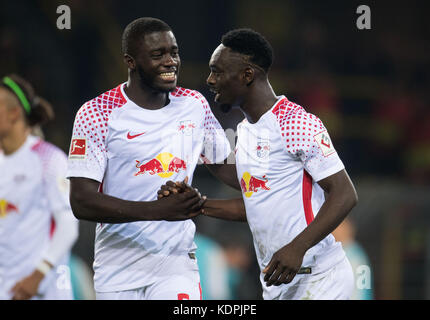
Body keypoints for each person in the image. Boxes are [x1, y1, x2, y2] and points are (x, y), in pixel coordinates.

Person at [159, 28, 358, 300]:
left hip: (321, 278)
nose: (210, 80)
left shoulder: (295, 122)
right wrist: (196, 204)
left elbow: (345, 193)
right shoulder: (247, 130)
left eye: (217, 71)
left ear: (247, 75)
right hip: (279, 282)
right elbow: (255, 203)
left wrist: (297, 247)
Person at [66, 17, 234, 300]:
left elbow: (227, 167)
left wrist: (278, 181)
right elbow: (81, 201)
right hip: (117, 268)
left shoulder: (194, 105)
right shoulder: (96, 113)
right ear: (130, 61)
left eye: (174, 52)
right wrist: (159, 211)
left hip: (175, 265)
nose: (171, 62)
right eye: (158, 55)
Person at [0, 74, 79, 300]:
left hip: (43, 289)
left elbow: (67, 226)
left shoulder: (48, 159)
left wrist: (38, 275)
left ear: (14, 113)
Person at [332, 217, 373, 300]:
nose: (333, 231)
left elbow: (361, 290)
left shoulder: (355, 255)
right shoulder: (341, 252)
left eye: (338, 226)